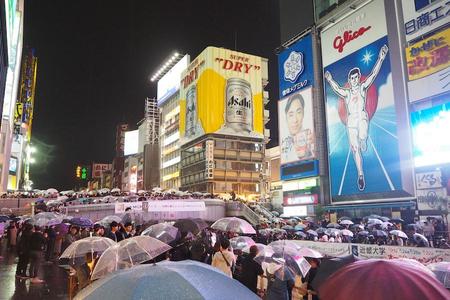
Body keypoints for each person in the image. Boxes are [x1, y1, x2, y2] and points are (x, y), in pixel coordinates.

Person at [324, 44, 388, 191]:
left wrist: (381, 58)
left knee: (363, 136)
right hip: (351, 122)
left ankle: (363, 139)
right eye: (352, 78)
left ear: (358, 78)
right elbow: (337, 89)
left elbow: (373, 74)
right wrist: (329, 80)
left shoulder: (362, 87)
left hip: (362, 118)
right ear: (350, 79)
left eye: (356, 77)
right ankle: (360, 174)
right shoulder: (347, 93)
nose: (354, 80)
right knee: (355, 148)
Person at [281, 92, 315, 163]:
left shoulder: (310, 137)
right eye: (291, 114)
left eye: (299, 112)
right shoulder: (283, 143)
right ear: (286, 117)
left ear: (303, 114)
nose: (295, 120)